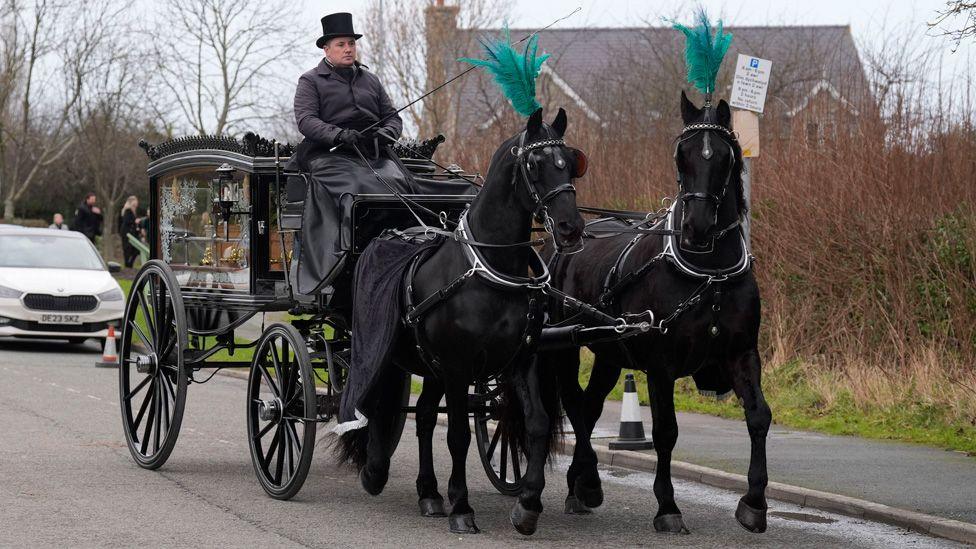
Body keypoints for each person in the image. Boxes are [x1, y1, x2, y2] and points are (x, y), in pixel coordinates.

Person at [288, 11, 415, 296]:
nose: (348, 49)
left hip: (370, 153)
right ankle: (347, 251)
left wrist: (387, 134)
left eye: (351, 44)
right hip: (326, 154)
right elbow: (306, 120)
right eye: (341, 45)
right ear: (326, 49)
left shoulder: (371, 80)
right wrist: (339, 134)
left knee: (403, 184)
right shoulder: (310, 81)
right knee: (360, 186)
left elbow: (393, 117)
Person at [119, 195, 140, 268]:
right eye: (136, 201)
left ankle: (129, 264)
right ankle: (127, 265)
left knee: (135, 250)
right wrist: (135, 221)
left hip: (131, 232)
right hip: (127, 233)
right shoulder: (128, 210)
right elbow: (127, 221)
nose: (137, 203)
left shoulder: (132, 211)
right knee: (127, 249)